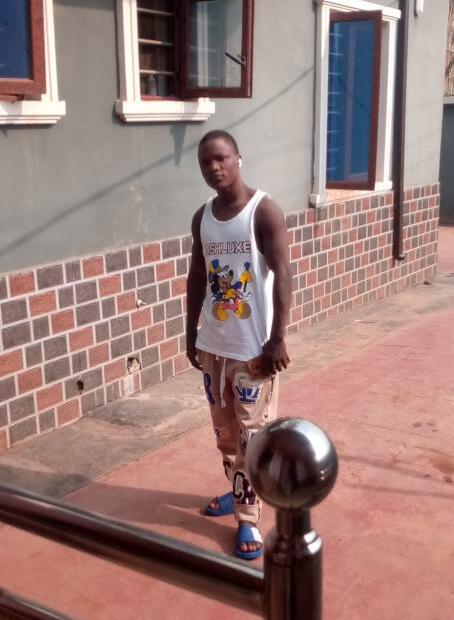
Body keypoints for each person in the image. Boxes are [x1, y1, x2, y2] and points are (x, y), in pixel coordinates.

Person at [186, 130, 292, 560]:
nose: (214, 168)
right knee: (226, 435)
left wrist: (277, 338)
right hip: (213, 346)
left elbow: (283, 274)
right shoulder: (202, 217)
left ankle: (248, 518)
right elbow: (198, 275)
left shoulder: (263, 211)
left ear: (238, 158)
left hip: (253, 352)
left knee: (253, 436)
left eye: (221, 158)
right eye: (205, 162)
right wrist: (189, 332)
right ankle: (237, 489)